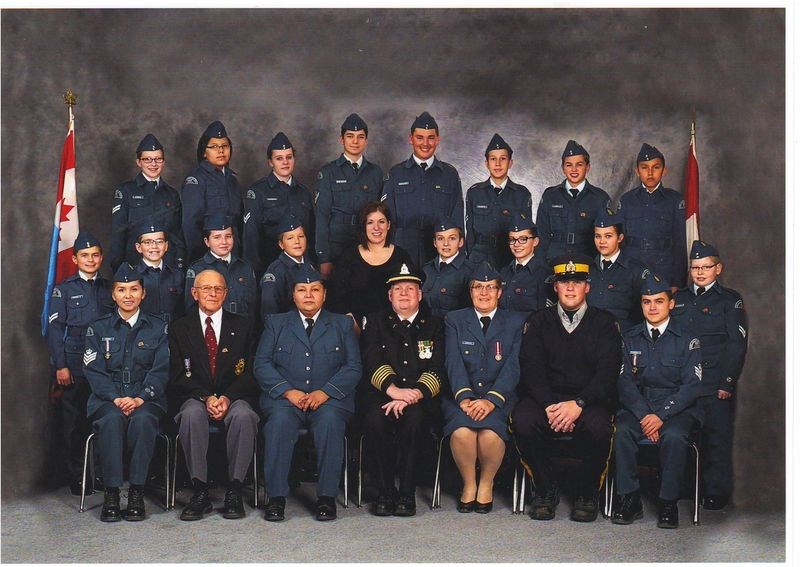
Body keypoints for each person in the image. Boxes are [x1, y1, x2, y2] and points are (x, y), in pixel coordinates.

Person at [512, 255, 621, 522]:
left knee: (599, 428)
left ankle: (586, 492)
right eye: (564, 282)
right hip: (546, 399)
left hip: (588, 399)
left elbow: (608, 373)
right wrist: (550, 405)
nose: (570, 287)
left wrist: (579, 404)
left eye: (577, 282)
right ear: (555, 287)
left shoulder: (605, 323)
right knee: (523, 421)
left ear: (587, 287)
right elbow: (531, 368)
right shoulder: (538, 321)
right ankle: (546, 488)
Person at [254, 265, 361, 522]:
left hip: (330, 400)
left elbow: (354, 367)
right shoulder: (276, 323)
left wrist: (325, 393)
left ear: (324, 294)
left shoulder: (342, 324)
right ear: (293, 295)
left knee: (330, 423)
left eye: (315, 290)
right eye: (302, 290)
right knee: (278, 424)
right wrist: (287, 391)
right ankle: (276, 498)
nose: (309, 295)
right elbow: (261, 364)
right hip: (285, 400)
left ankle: (326, 498)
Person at [612, 272, 703, 529]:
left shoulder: (688, 340)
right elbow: (624, 383)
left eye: (659, 301)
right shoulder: (629, 338)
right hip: (639, 406)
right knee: (621, 432)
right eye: (646, 301)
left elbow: (690, 387)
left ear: (671, 304)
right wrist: (644, 415)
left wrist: (660, 416)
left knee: (674, 436)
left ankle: (667, 502)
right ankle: (629, 499)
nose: (652, 307)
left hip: (675, 409)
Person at [168, 269, 260, 521]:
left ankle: (235, 489)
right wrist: (205, 397)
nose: (212, 293)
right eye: (206, 288)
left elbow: (252, 371)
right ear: (194, 293)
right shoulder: (179, 328)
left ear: (226, 293)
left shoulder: (243, 325)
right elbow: (176, 375)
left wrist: (228, 398)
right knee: (190, 415)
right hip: (195, 396)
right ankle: (200, 491)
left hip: (234, 396)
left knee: (244, 416)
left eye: (218, 289)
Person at [83, 263, 169, 522]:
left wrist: (141, 397)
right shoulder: (98, 329)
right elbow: (94, 370)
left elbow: (162, 369)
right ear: (113, 294)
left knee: (142, 420)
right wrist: (116, 397)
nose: (128, 295)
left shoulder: (158, 327)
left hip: (147, 398)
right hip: (108, 398)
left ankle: (136, 493)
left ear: (144, 293)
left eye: (134, 289)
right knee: (111, 420)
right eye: (122, 290)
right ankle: (111, 493)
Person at [360, 265, 444, 517]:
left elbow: (438, 366)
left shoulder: (435, 324)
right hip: (383, 394)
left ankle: (407, 493)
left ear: (420, 294)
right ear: (389, 296)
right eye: (398, 289)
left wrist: (414, 394)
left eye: (410, 289)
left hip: (420, 397)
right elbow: (371, 360)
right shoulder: (375, 322)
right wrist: (394, 390)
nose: (404, 293)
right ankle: (385, 492)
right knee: (375, 419)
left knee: (415, 421)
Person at [671, 240, 748, 511]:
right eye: (695, 268)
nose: (700, 272)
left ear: (718, 268)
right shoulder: (678, 299)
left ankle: (715, 492)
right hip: (683, 382)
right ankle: (682, 487)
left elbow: (736, 344)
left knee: (716, 438)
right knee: (680, 433)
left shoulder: (729, 300)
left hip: (715, 381)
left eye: (706, 267)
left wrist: (727, 381)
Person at [443, 262, 526, 513]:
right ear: (470, 291)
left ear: (500, 292)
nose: (484, 292)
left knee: (489, 434)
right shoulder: (455, 320)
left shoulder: (516, 321)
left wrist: (492, 399)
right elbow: (453, 361)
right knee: (462, 433)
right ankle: (469, 484)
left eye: (490, 287)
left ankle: (486, 483)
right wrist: (465, 398)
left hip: (500, 396)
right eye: (478, 287)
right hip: (462, 396)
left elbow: (514, 366)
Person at [45, 230, 114, 495]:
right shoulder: (64, 290)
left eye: (95, 255)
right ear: (74, 259)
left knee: (103, 421)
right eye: (84, 256)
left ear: (101, 258)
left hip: (105, 366)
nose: (90, 260)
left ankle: (102, 476)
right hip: (74, 367)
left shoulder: (110, 288)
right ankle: (79, 477)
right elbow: (54, 330)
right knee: (75, 425)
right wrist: (60, 365)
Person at [381, 111, 464, 268]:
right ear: (411, 139)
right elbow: (386, 218)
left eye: (430, 138)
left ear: (438, 140)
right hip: (402, 250)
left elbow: (457, 219)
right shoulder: (396, 173)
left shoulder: (449, 174)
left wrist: (458, 261)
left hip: (439, 252)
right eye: (420, 137)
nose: (425, 143)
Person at [314, 113, 384, 278]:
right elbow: (322, 218)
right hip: (337, 245)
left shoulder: (376, 173)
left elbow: (382, 215)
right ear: (341, 139)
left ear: (366, 141)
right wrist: (324, 257)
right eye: (350, 136)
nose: (355, 141)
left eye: (360, 137)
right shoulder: (328, 172)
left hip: (367, 244)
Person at [328, 201, 414, 330]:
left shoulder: (401, 257)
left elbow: (411, 297)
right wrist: (350, 322)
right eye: (370, 222)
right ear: (363, 226)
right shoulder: (348, 256)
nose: (376, 228)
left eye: (381, 222)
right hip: (354, 328)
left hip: (393, 330)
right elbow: (336, 296)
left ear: (389, 225)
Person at [110, 133, 186, 272]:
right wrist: (119, 268)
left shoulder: (171, 194)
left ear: (163, 162)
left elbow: (177, 235)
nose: (153, 164)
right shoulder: (126, 191)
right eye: (147, 159)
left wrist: (179, 265)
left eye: (158, 159)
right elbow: (118, 233)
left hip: (166, 268)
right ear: (138, 162)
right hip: (134, 266)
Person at [243, 132, 315, 277]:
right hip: (269, 266)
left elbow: (311, 232)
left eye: (289, 157)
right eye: (279, 158)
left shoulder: (303, 192)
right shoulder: (257, 192)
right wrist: (253, 272)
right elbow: (251, 237)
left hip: (301, 267)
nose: (285, 162)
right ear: (270, 162)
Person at [617, 143, 687, 291]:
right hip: (632, 268)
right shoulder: (627, 200)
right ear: (637, 171)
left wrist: (677, 282)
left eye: (655, 167)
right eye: (644, 167)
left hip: (663, 270)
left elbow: (680, 244)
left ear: (664, 170)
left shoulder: (675, 200)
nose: (650, 173)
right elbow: (618, 242)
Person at [535, 140, 611, 263]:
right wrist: (540, 265)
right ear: (563, 168)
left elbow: (608, 238)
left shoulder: (600, 198)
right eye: (569, 165)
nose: (574, 169)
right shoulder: (550, 195)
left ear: (588, 167)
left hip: (588, 261)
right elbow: (541, 234)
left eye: (579, 164)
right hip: (554, 261)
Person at [465, 133, 532, 267]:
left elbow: (527, 231)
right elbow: (470, 232)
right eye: (493, 159)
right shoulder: (474, 193)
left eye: (503, 159)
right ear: (487, 163)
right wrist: (470, 258)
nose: (497, 164)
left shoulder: (521, 194)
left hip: (509, 257)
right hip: (479, 256)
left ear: (510, 163)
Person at [181, 120, 242, 263]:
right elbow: (190, 224)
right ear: (204, 152)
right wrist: (198, 260)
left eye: (224, 146)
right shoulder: (196, 180)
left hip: (233, 253)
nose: (221, 151)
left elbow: (238, 221)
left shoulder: (232, 181)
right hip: (206, 256)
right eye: (214, 146)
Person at [586, 208, 649, 332]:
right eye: (597, 236)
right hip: (590, 337)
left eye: (608, 236)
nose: (602, 241)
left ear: (620, 238)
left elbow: (643, 313)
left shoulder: (636, 270)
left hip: (623, 337)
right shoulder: (586, 269)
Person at [184, 214, 257, 320]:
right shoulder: (197, 269)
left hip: (243, 330)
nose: (224, 242)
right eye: (217, 237)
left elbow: (253, 307)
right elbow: (191, 310)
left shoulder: (245, 268)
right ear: (207, 241)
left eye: (228, 236)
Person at [498, 213, 552, 315]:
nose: (516, 244)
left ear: (535, 241)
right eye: (512, 239)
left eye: (523, 239)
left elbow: (545, 315)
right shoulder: (503, 272)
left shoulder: (545, 274)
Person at [132, 221, 184, 325]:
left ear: (166, 246)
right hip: (144, 334)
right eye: (148, 242)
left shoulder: (178, 276)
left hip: (173, 334)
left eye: (159, 241)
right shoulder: (132, 276)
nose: (154, 246)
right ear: (138, 247)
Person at [421, 217, 473, 317]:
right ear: (435, 243)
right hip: (428, 327)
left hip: (454, 328)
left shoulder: (469, 271)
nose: (446, 244)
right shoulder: (426, 269)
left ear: (461, 242)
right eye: (440, 238)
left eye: (452, 238)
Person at [260, 219, 312, 320]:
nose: (297, 241)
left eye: (301, 236)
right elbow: (270, 314)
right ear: (281, 244)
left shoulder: (311, 266)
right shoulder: (275, 272)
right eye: (290, 238)